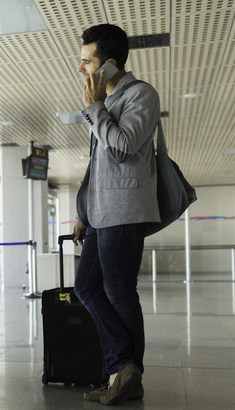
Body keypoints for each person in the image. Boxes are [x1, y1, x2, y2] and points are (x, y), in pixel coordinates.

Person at [72, 24, 161, 405]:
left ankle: (126, 375)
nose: (81, 70)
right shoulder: (107, 103)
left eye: (86, 62)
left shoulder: (141, 94)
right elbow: (100, 165)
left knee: (119, 291)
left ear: (108, 65)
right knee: (86, 287)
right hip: (100, 212)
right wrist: (84, 211)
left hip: (124, 211)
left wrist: (94, 109)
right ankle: (123, 369)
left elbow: (123, 148)